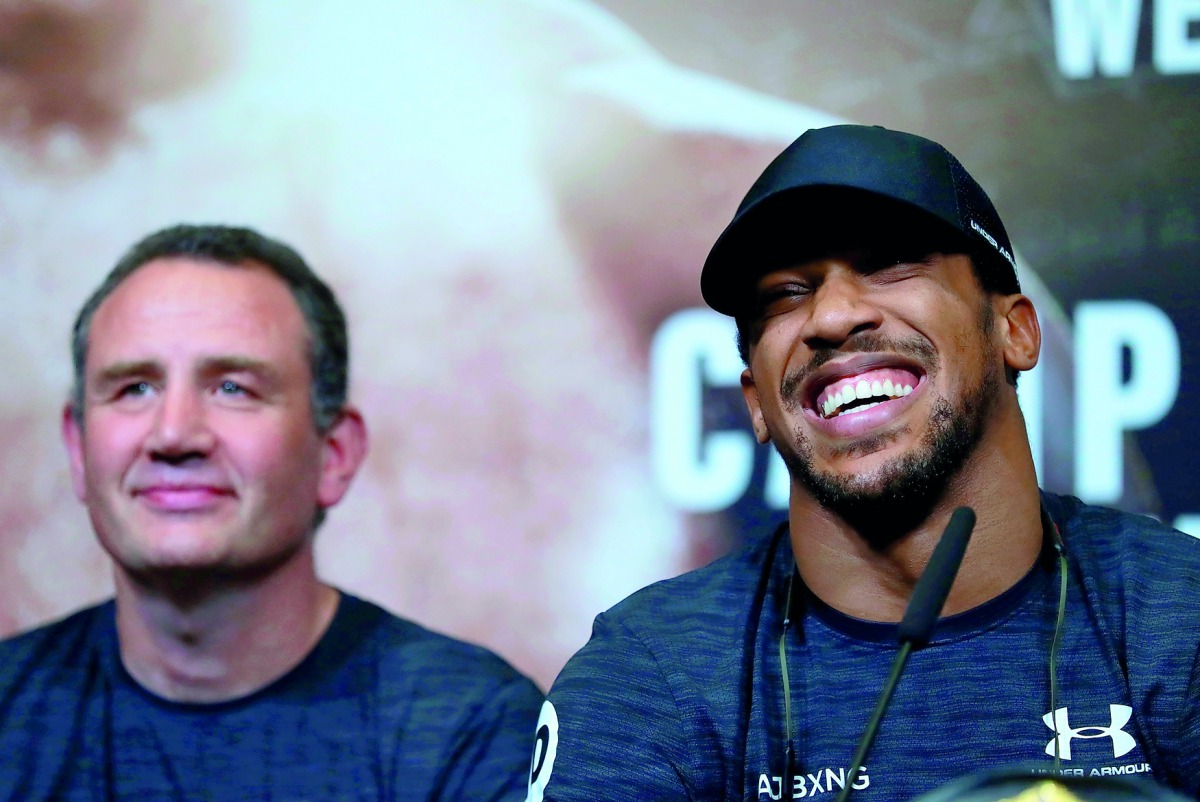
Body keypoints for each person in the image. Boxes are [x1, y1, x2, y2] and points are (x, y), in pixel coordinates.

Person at [527, 125, 1200, 801]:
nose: (834, 316)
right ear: (757, 402)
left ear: (1015, 333)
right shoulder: (653, 675)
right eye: (785, 294)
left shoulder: (1180, 617)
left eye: (890, 264)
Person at [0, 224, 543, 801]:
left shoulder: (472, 733)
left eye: (233, 387)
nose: (174, 434)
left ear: (334, 454)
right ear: (78, 450)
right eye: (134, 388)